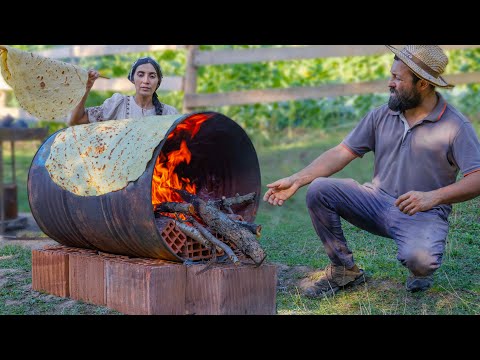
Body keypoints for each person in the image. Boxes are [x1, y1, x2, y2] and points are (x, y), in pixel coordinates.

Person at [263, 45, 480, 297]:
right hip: (375, 202)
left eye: (398, 78)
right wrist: (296, 179)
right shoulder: (382, 114)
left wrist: (432, 197)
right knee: (321, 189)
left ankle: (419, 269)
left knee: (421, 261)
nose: (390, 83)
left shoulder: (456, 125)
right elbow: (341, 152)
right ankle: (345, 270)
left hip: (422, 211)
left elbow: (477, 178)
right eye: (392, 75)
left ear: (422, 84)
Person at [69, 56, 178, 125]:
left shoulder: (169, 113)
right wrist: (87, 87)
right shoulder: (118, 104)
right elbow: (76, 120)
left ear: (158, 81)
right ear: (132, 78)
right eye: (140, 75)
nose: (146, 81)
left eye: (152, 76)